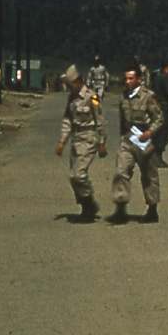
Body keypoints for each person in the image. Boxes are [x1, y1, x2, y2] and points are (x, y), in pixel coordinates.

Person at [110, 63, 165, 224]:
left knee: (149, 176)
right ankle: (120, 207)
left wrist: (150, 132)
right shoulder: (123, 97)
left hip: (144, 139)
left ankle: (152, 209)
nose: (127, 81)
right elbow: (122, 119)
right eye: (125, 78)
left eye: (131, 78)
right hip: (128, 140)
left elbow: (159, 118)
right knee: (121, 171)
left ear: (139, 80)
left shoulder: (148, 97)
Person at [54, 65, 107, 222]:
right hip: (76, 139)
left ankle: (89, 200)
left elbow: (100, 120)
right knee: (73, 177)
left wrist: (102, 142)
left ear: (78, 81)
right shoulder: (71, 98)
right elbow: (67, 120)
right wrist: (62, 141)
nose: (68, 87)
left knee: (79, 174)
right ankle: (86, 206)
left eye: (70, 84)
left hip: (89, 137)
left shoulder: (92, 97)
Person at [152, 61, 168, 168]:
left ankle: (154, 157)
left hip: (156, 106)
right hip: (164, 106)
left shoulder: (157, 78)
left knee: (157, 130)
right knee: (164, 131)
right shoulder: (166, 78)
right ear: (167, 68)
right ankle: (158, 157)